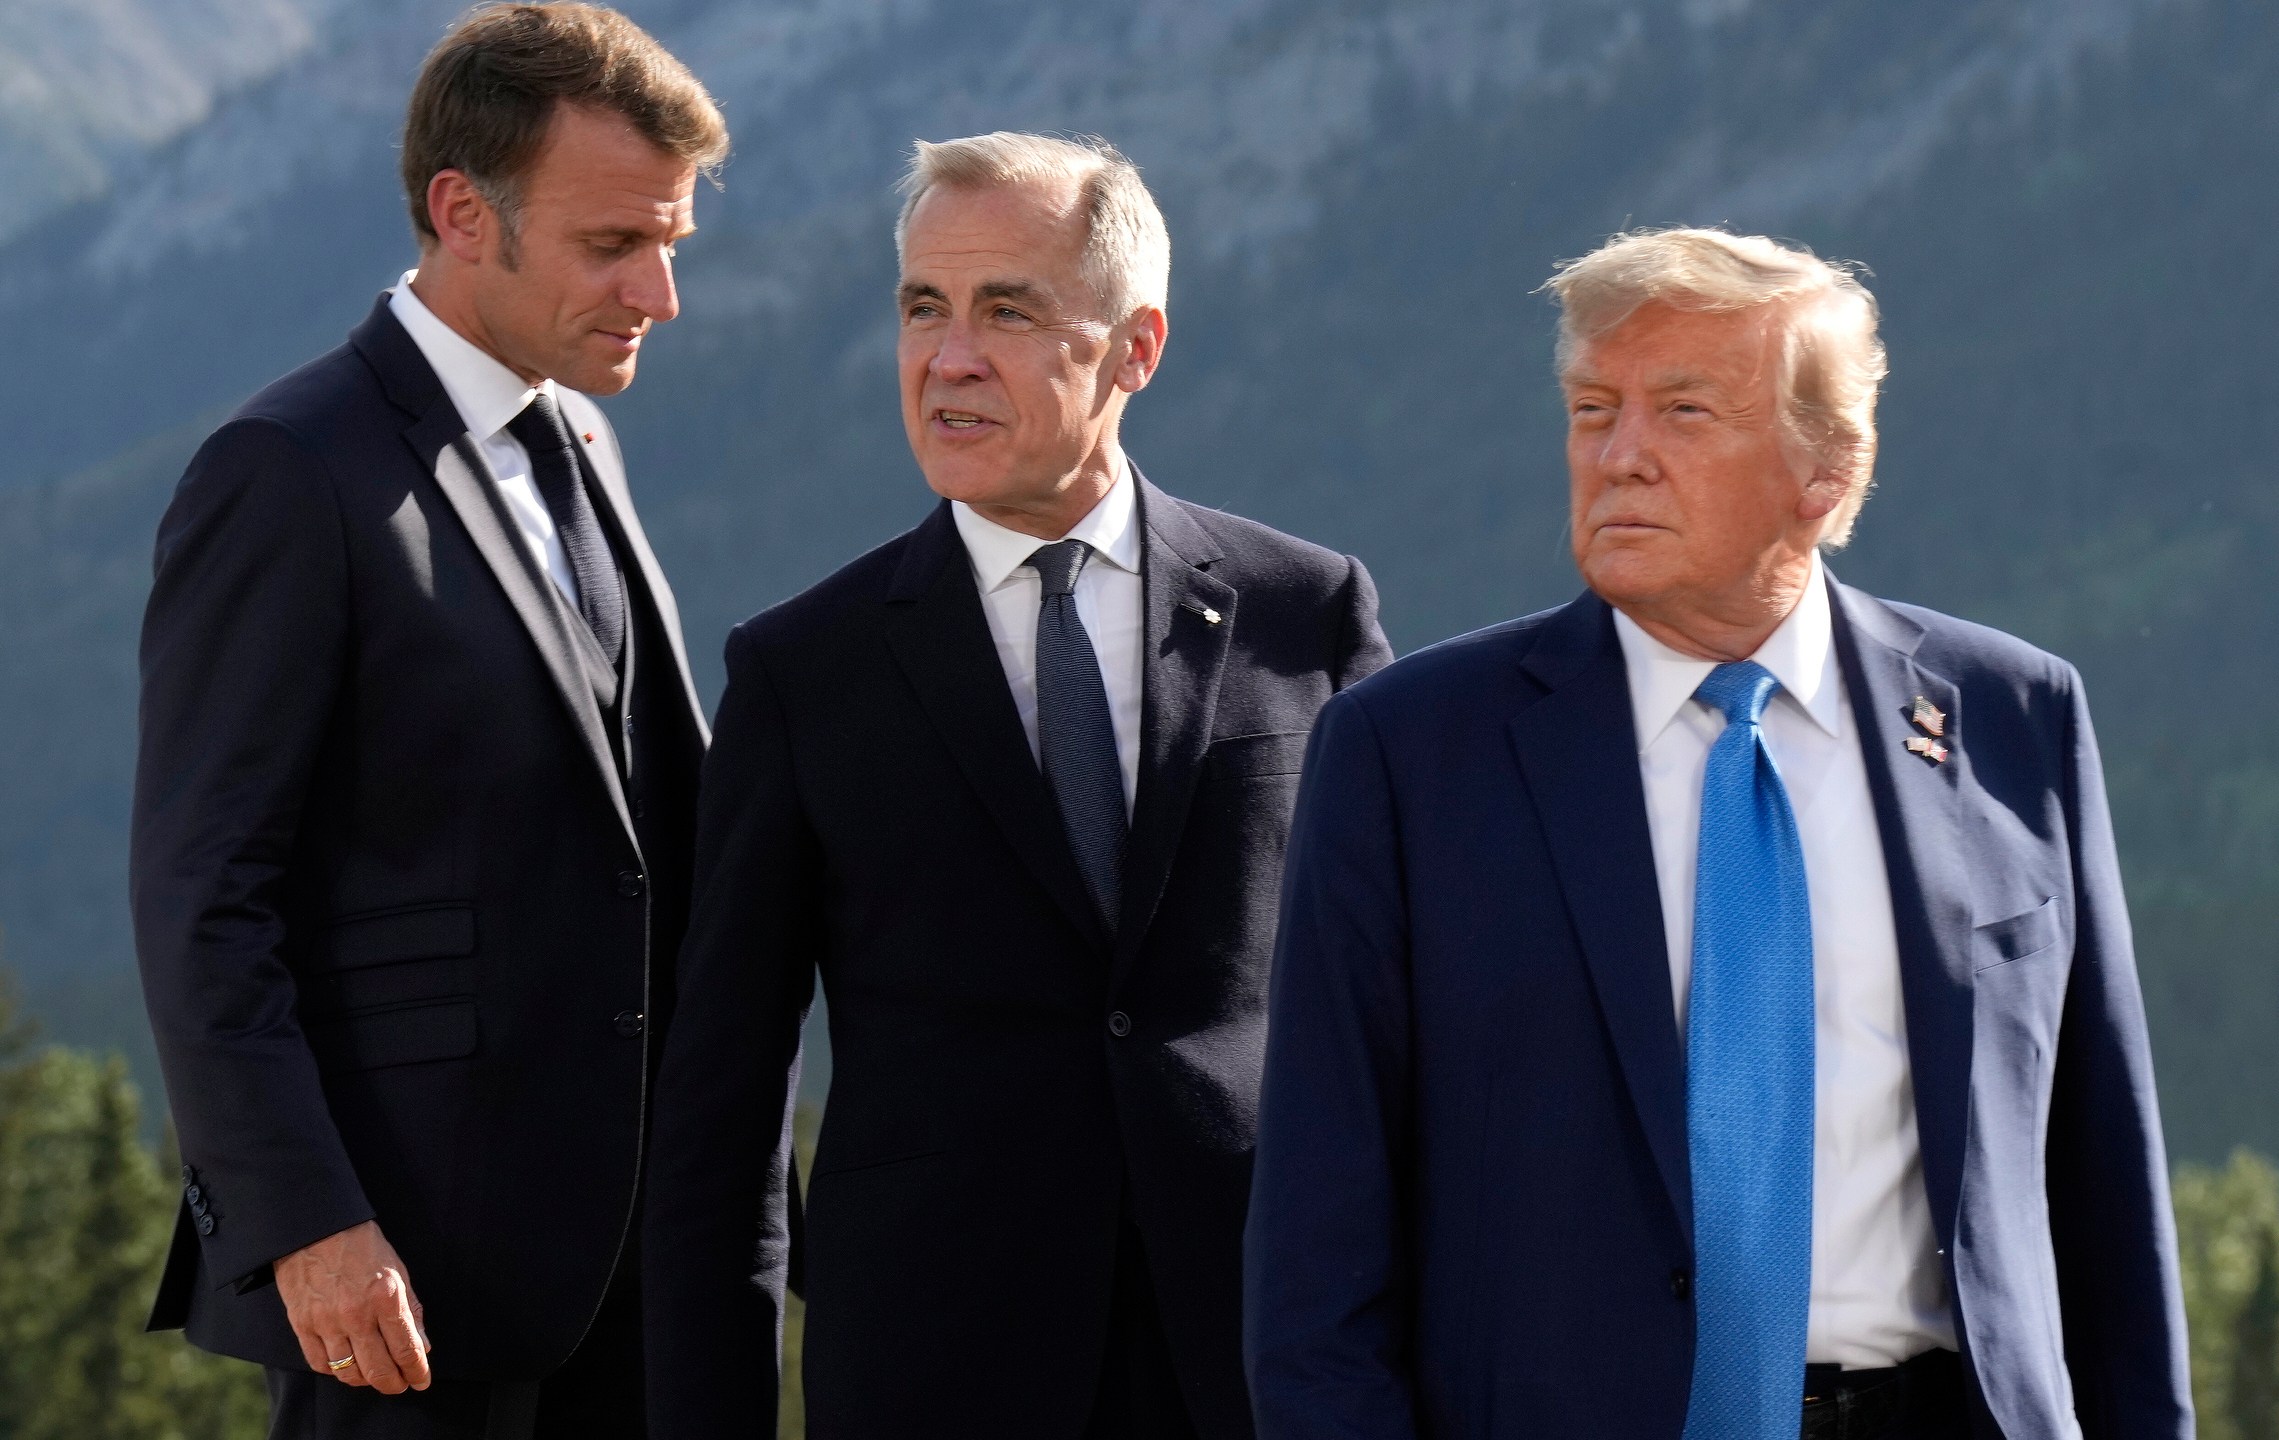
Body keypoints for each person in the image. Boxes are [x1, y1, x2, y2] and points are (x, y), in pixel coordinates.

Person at [1245, 228, 2191, 1439]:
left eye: (1682, 412)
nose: (1618, 456)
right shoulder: (1409, 751)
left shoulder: (2011, 717)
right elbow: (1315, 1246)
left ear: (1826, 473)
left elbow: (2103, 1178)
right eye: (1593, 410)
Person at [642, 131, 1392, 1438]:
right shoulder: (800, 670)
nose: (947, 360)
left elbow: (1404, 1002)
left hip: (1258, 1353)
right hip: (933, 1368)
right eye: (921, 309)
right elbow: (722, 1101)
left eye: (1006, 311)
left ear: (1135, 348)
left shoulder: (1303, 613)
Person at [130, 7, 726, 1435]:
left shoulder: (578, 437)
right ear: (463, 213)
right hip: (398, 1292)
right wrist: (305, 1227)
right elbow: (204, 893)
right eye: (611, 245)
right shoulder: (285, 472)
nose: (659, 291)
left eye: (671, 246)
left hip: (630, 1281)